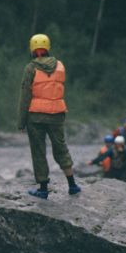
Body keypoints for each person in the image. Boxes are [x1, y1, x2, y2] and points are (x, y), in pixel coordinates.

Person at [17, 33, 80, 199]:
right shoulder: (60, 65)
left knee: (39, 151)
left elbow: (25, 96)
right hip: (57, 114)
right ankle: (72, 185)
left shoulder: (30, 68)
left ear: (33, 49)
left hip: (36, 116)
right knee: (61, 147)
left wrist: (21, 122)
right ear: (47, 48)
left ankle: (43, 190)